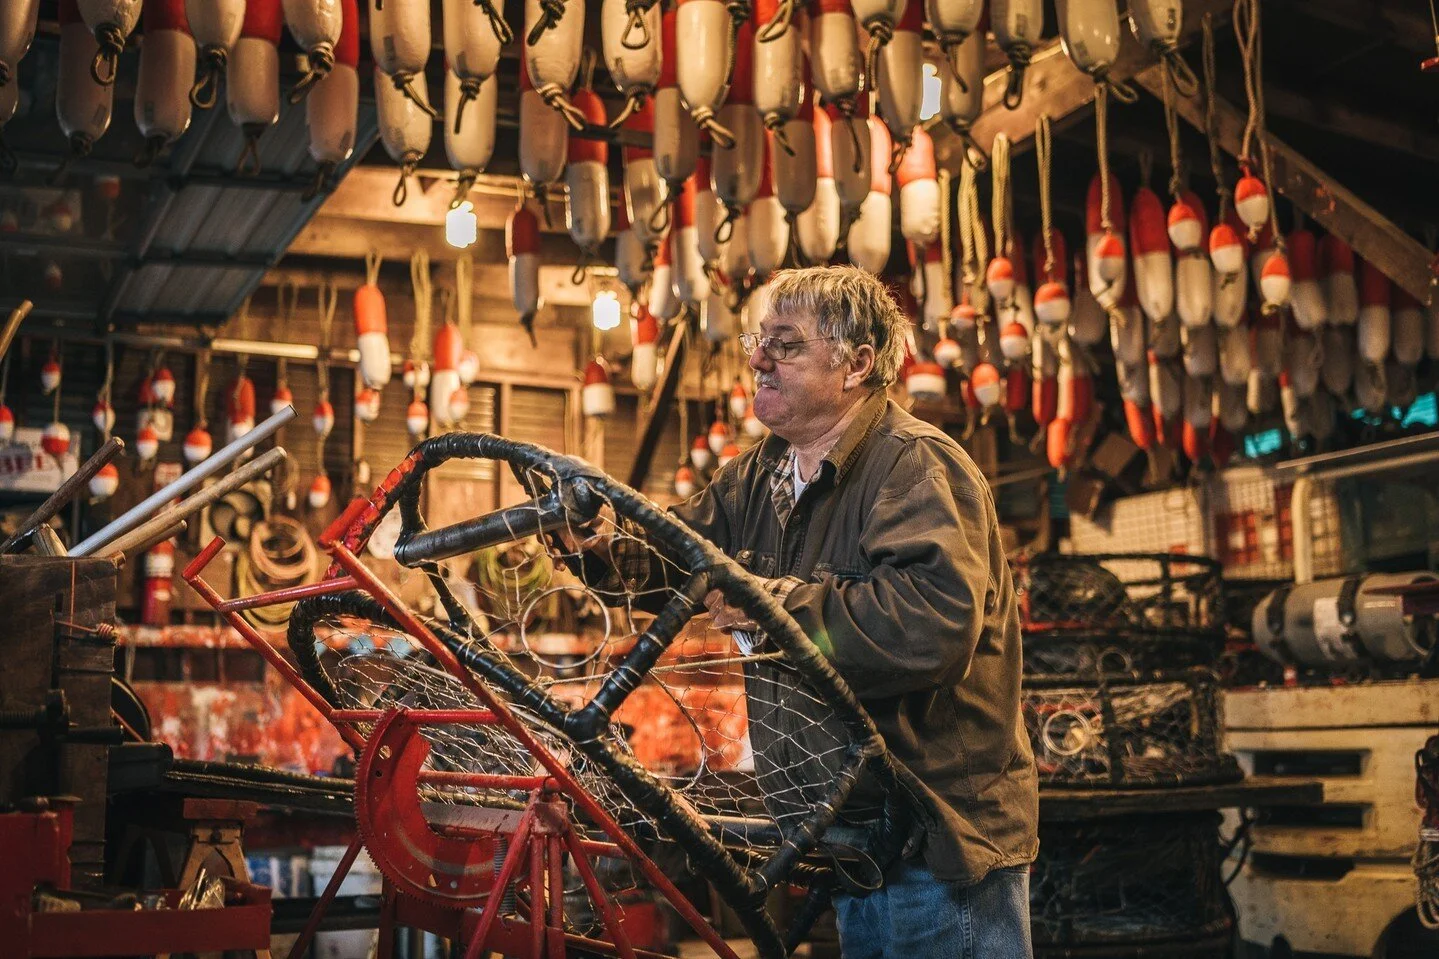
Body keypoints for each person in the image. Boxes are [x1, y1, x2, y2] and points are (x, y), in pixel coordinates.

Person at [580, 265, 1037, 959]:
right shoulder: (759, 474)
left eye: (785, 343)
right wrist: (596, 541)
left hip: (938, 843)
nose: (759, 357)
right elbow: (669, 559)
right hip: (852, 837)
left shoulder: (913, 465)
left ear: (855, 363)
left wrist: (774, 607)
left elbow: (928, 627)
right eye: (758, 340)